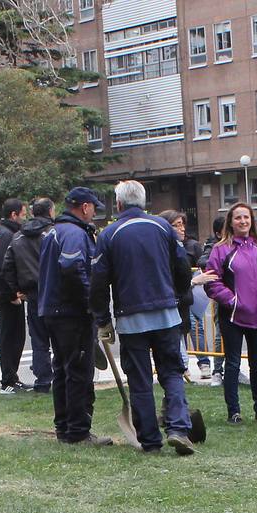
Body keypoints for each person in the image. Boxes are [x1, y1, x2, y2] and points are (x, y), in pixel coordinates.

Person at [92, 180, 196, 455]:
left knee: (139, 380)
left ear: (119, 204)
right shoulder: (163, 227)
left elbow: (99, 282)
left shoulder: (109, 234)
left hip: (131, 319)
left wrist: (103, 319)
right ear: (144, 201)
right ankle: (178, 428)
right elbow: (183, 267)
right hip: (166, 314)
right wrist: (177, 295)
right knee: (172, 372)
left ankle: (150, 441)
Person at [38, 187, 109, 445]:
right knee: (78, 370)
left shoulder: (54, 232)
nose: (93, 214)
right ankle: (78, 431)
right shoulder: (75, 233)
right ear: (85, 207)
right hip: (71, 313)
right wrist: (90, 301)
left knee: (63, 369)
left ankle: (64, 428)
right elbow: (71, 266)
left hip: (53, 311)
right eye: (93, 208)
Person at [206, 202, 257, 422]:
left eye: (246, 217)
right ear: (231, 221)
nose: (243, 221)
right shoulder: (221, 249)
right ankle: (234, 411)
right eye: (238, 218)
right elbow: (212, 281)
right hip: (233, 316)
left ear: (252, 220)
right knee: (233, 363)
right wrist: (232, 300)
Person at [4, 198, 57, 393]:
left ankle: (43, 381)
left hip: (32, 294)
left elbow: (7, 266)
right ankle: (61, 378)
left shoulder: (18, 237)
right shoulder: (54, 233)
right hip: (54, 293)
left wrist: (17, 288)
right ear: (50, 212)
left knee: (39, 341)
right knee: (60, 338)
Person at [164, 209, 210, 382]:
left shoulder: (186, 247)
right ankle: (181, 371)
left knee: (189, 329)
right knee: (176, 343)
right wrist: (194, 281)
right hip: (171, 304)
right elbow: (170, 282)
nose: (181, 229)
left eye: (182, 224)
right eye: (176, 225)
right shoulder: (165, 251)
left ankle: (196, 365)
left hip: (186, 301)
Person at [0, 199, 29, 393]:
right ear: (13, 215)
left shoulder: (2, 232)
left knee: (15, 337)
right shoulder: (7, 235)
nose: (25, 218)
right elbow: (2, 267)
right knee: (11, 338)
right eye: (23, 214)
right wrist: (13, 293)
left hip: (5, 294)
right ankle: (8, 380)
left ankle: (12, 377)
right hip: (7, 296)